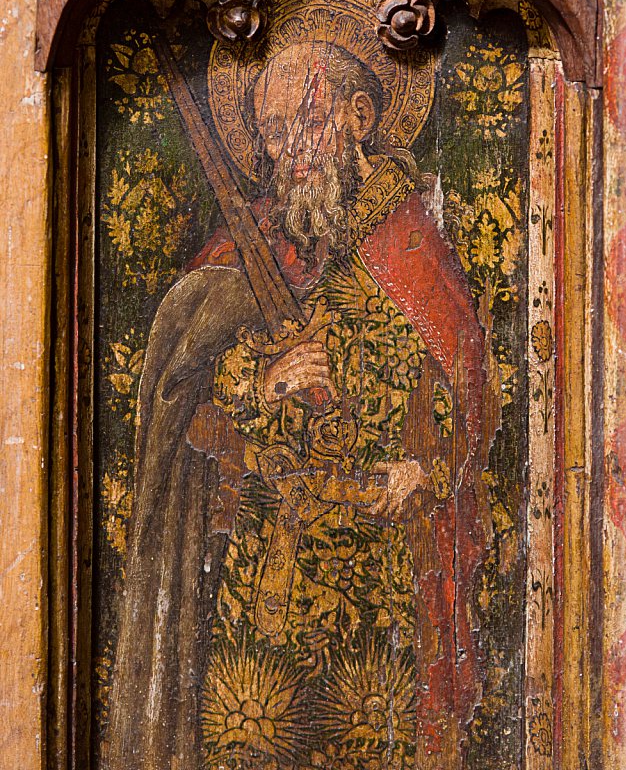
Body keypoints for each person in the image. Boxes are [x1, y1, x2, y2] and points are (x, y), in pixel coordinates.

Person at [104, 40, 492, 770]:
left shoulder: (414, 244)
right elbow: (187, 400)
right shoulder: (255, 242)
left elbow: (463, 386)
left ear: (359, 115)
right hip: (265, 571)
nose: (285, 152)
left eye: (300, 122)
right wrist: (260, 382)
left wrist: (426, 467)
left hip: (380, 574)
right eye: (271, 135)